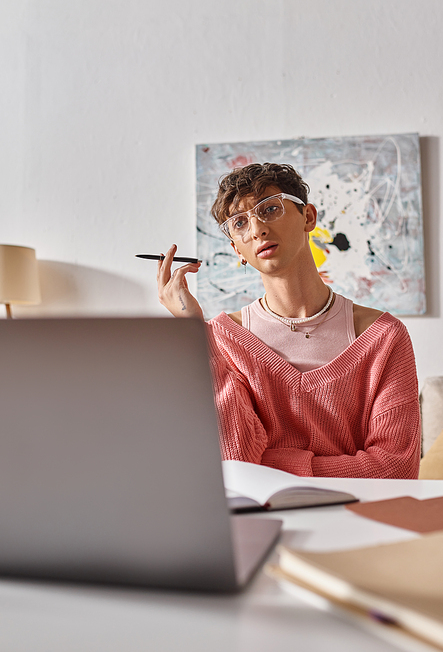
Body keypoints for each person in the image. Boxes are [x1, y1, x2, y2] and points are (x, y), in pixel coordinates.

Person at [157, 162, 421, 479]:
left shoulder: (384, 337)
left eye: (269, 209)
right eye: (239, 223)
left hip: (360, 520)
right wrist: (194, 334)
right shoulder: (220, 341)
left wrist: (276, 467)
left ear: (308, 217)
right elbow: (235, 464)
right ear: (236, 249)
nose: (256, 230)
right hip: (262, 521)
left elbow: (395, 468)